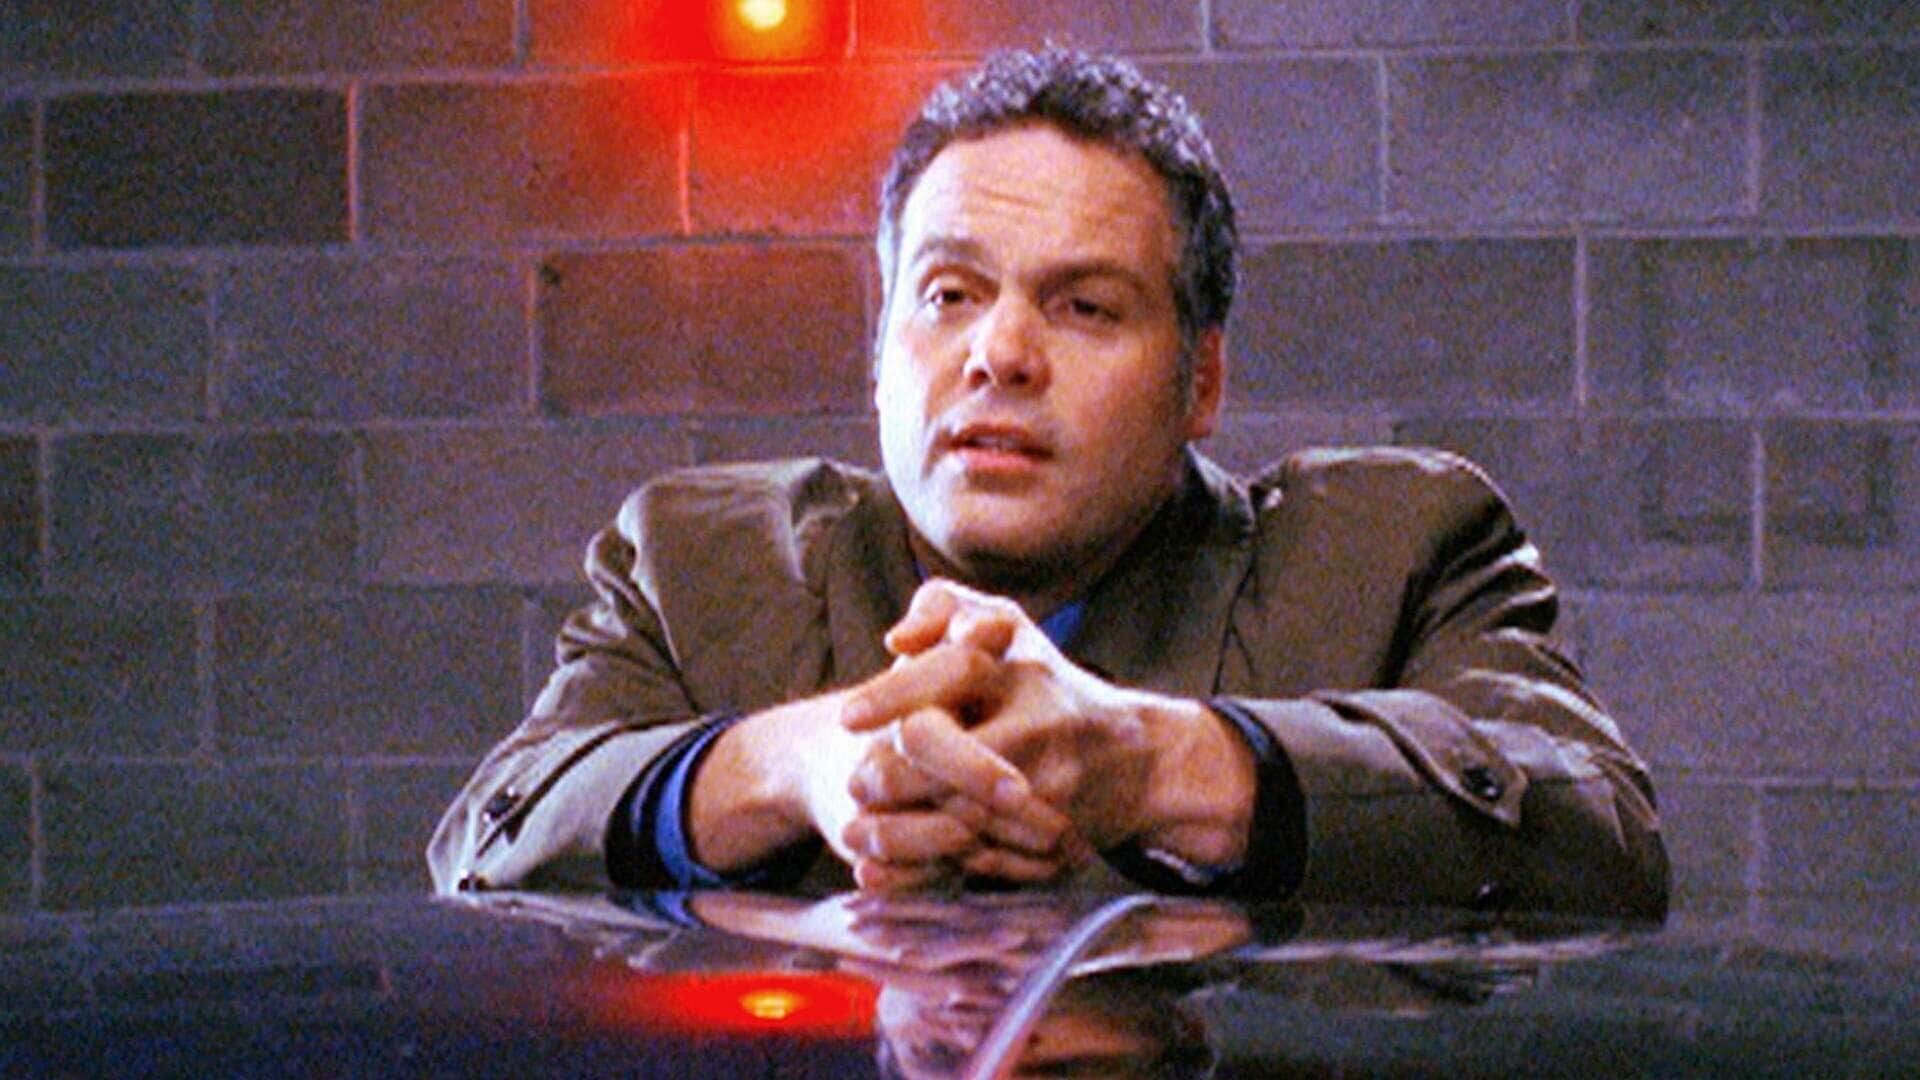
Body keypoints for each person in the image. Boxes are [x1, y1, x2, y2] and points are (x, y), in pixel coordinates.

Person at [427, 48, 1669, 917]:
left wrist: (1154, 764)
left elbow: (1606, 840)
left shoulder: (1397, 551)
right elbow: (488, 837)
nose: (1000, 353)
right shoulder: (701, 559)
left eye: (1084, 306)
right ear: (879, 354)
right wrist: (797, 765)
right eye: (949, 294)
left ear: (1200, 380)